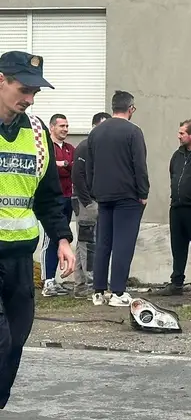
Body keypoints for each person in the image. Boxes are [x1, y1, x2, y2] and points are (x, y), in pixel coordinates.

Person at [0, 51, 75, 420]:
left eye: (34, 91)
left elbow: (47, 195)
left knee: (15, 344)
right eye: (23, 88)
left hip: (18, 258)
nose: (29, 98)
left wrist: (62, 238)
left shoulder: (36, 130)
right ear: (1, 80)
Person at [84, 90, 149, 307]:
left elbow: (89, 166)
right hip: (127, 195)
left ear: (113, 108)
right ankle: (118, 292)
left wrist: (95, 191)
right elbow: (139, 165)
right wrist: (143, 193)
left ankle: (98, 291)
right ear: (130, 109)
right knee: (123, 243)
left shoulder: (96, 132)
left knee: (103, 242)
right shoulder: (134, 132)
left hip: (103, 195)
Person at [156, 120, 191, 298]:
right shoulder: (177, 155)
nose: (178, 136)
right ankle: (176, 283)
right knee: (178, 248)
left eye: (182, 133)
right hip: (177, 209)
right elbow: (173, 174)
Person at [71, 111, 110, 297]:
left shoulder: (99, 147)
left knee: (82, 244)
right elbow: (77, 176)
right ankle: (93, 285)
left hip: (94, 200)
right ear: (95, 126)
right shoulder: (85, 147)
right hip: (85, 201)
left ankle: (80, 286)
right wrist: (88, 203)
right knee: (88, 243)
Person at [40, 113, 75, 297]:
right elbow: (49, 167)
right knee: (50, 240)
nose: (65, 129)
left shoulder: (70, 148)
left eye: (67, 126)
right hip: (52, 201)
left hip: (68, 198)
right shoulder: (47, 147)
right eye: (62, 126)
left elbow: (73, 167)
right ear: (51, 127)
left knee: (62, 239)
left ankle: (55, 281)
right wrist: (61, 164)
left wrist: (65, 165)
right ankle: (48, 281)